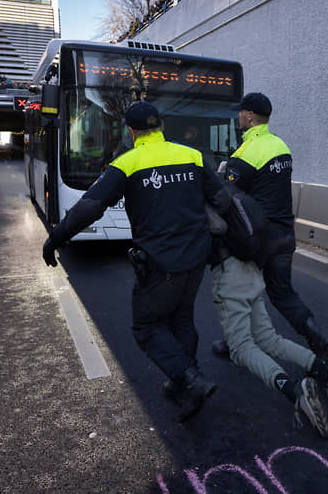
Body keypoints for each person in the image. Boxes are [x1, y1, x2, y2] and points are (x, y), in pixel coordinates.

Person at [41, 101, 229, 423]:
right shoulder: (193, 156)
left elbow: (90, 207)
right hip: (196, 257)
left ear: (130, 130)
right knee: (181, 320)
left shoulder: (127, 163)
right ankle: (184, 381)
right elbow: (222, 200)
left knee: (147, 327)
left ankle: (189, 379)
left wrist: (55, 239)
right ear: (161, 126)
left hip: (159, 263)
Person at [201, 176, 328, 438]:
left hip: (229, 276)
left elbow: (207, 238)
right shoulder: (230, 194)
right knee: (268, 339)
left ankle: (295, 392)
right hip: (252, 269)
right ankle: (327, 373)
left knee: (241, 348)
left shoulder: (203, 204)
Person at [212, 93, 328, 362]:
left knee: (242, 290)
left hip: (257, 235)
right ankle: (319, 339)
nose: (238, 117)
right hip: (284, 234)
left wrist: (224, 173)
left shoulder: (247, 151)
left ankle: (234, 340)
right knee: (282, 292)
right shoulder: (281, 146)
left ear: (249, 116)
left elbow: (227, 194)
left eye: (240, 112)